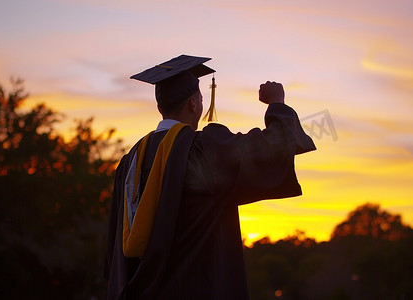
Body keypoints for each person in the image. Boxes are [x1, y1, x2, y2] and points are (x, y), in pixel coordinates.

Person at [104, 55, 316, 299]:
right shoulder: (202, 150)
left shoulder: (129, 163)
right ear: (193, 104)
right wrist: (277, 104)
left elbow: (115, 251)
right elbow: (271, 146)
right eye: (201, 99)